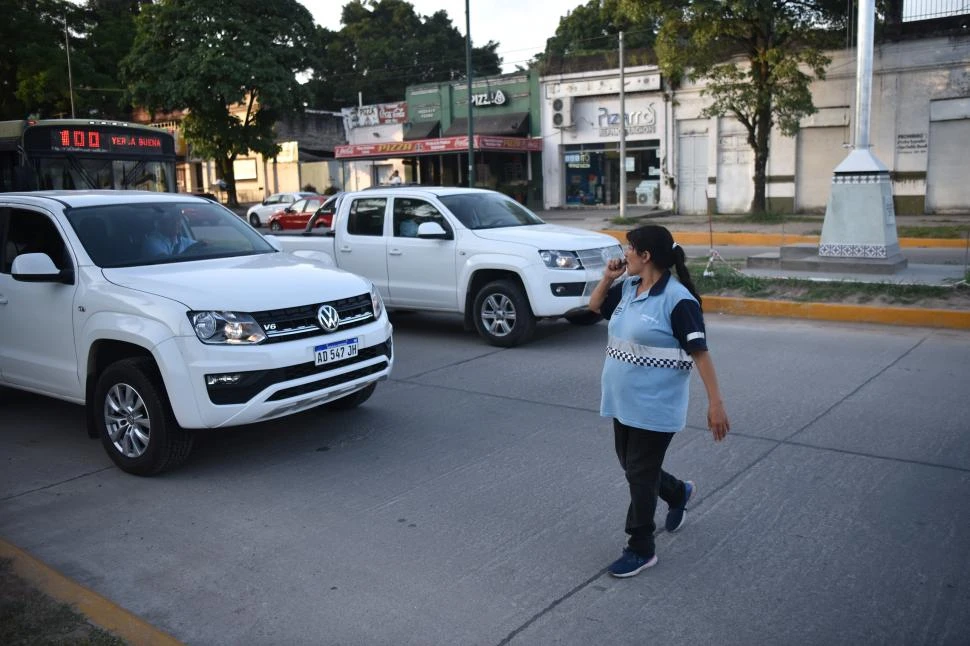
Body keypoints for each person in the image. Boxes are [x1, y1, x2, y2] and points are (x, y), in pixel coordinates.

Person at [589, 224, 730, 578]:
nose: (625, 255)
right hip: (623, 401)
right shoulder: (629, 287)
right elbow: (594, 307)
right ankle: (677, 492)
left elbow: (701, 354)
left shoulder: (678, 300)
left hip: (656, 404)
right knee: (633, 466)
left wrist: (715, 404)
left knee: (638, 472)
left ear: (646, 255)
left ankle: (641, 547)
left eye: (629, 248)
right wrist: (608, 278)